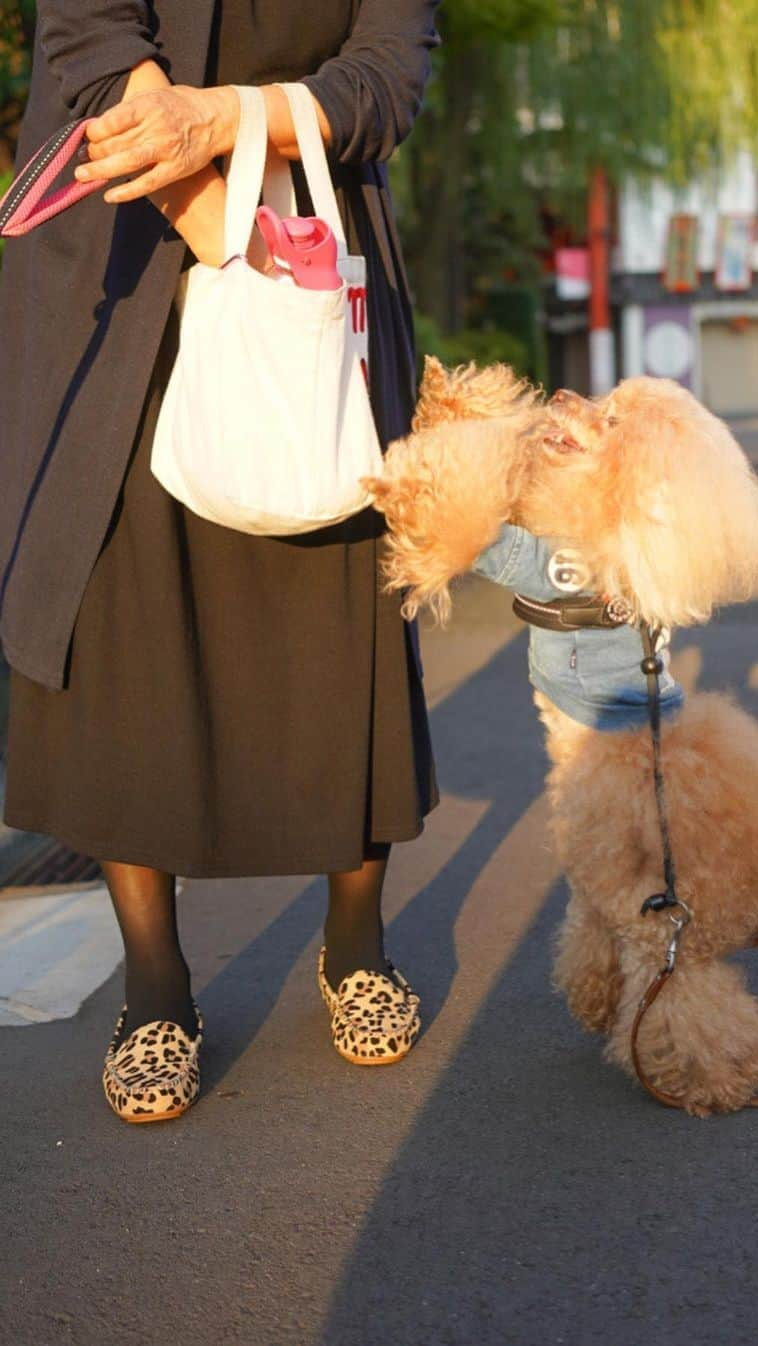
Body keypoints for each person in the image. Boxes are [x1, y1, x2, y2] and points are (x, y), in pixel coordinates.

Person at [0, 1, 441, 1122]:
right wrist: (204, 200)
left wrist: (231, 125)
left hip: (312, 258)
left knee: (340, 601)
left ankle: (356, 945)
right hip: (129, 244)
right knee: (126, 623)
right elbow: (88, 33)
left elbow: (386, 81)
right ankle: (155, 988)